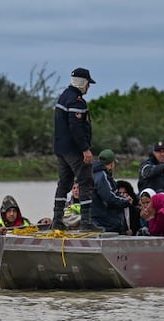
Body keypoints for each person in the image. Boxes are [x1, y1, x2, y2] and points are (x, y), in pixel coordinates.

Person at [52, 67, 99, 231]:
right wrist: (85, 149)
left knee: (64, 184)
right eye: (88, 83)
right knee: (86, 181)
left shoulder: (63, 97)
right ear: (83, 83)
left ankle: (57, 220)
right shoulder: (76, 101)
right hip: (74, 150)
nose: (89, 87)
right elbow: (76, 127)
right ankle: (86, 222)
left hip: (61, 150)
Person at [0, 195, 35, 278]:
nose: (12, 214)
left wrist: (42, 221)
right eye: (9, 211)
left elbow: (36, 230)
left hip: (19, 271)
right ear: (4, 213)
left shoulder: (25, 223)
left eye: (14, 211)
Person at [91, 149, 132, 233]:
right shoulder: (102, 175)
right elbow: (109, 197)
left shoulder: (92, 173)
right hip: (106, 221)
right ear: (111, 164)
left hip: (95, 218)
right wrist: (126, 201)